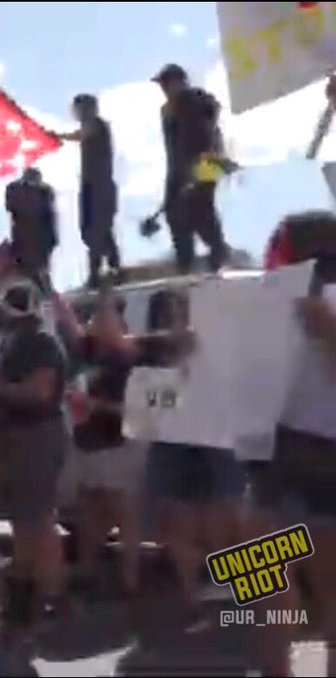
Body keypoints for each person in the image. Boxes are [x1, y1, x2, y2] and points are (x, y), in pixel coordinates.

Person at [249, 210, 336, 676]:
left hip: (308, 459)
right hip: (277, 457)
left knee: (276, 586)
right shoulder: (268, 307)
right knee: (265, 583)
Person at [135, 287, 243, 611]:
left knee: (225, 526)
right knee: (181, 528)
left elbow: (227, 394)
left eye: (180, 313)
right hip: (173, 447)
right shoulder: (150, 359)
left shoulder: (214, 348)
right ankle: (194, 599)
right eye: (168, 316)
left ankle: (242, 598)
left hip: (214, 443)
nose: (176, 323)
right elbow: (151, 408)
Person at [0, 278, 69, 657]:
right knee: (27, 520)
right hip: (15, 440)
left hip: (36, 436)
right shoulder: (12, 345)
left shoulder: (42, 345)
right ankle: (35, 597)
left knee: (37, 520)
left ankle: (45, 598)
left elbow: (39, 392)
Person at [52, 287, 150, 596]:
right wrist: (46, 284)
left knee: (124, 513)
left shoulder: (128, 359)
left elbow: (141, 409)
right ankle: (87, 572)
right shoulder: (87, 351)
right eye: (96, 316)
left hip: (117, 446)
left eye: (105, 316)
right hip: (87, 444)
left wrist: (96, 406)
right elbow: (67, 319)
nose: (97, 321)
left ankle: (131, 580)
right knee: (90, 509)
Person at [154, 63, 230, 274]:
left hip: (203, 163)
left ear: (179, 81)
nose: (164, 88)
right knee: (178, 214)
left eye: (167, 83)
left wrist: (194, 174)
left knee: (199, 212)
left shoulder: (191, 101)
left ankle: (218, 257)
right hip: (182, 168)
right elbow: (175, 148)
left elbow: (201, 137)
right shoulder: (170, 108)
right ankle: (188, 263)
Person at [57, 93, 121, 289]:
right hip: (90, 186)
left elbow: (83, 134)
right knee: (92, 230)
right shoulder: (91, 127)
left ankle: (100, 272)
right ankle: (111, 264)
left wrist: (56, 136)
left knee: (97, 231)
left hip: (100, 187)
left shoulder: (98, 126)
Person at [4, 167, 58, 289]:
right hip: (26, 237)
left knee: (39, 271)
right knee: (28, 271)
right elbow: (11, 207)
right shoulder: (15, 190)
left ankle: (42, 292)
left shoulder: (45, 192)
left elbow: (49, 216)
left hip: (39, 238)